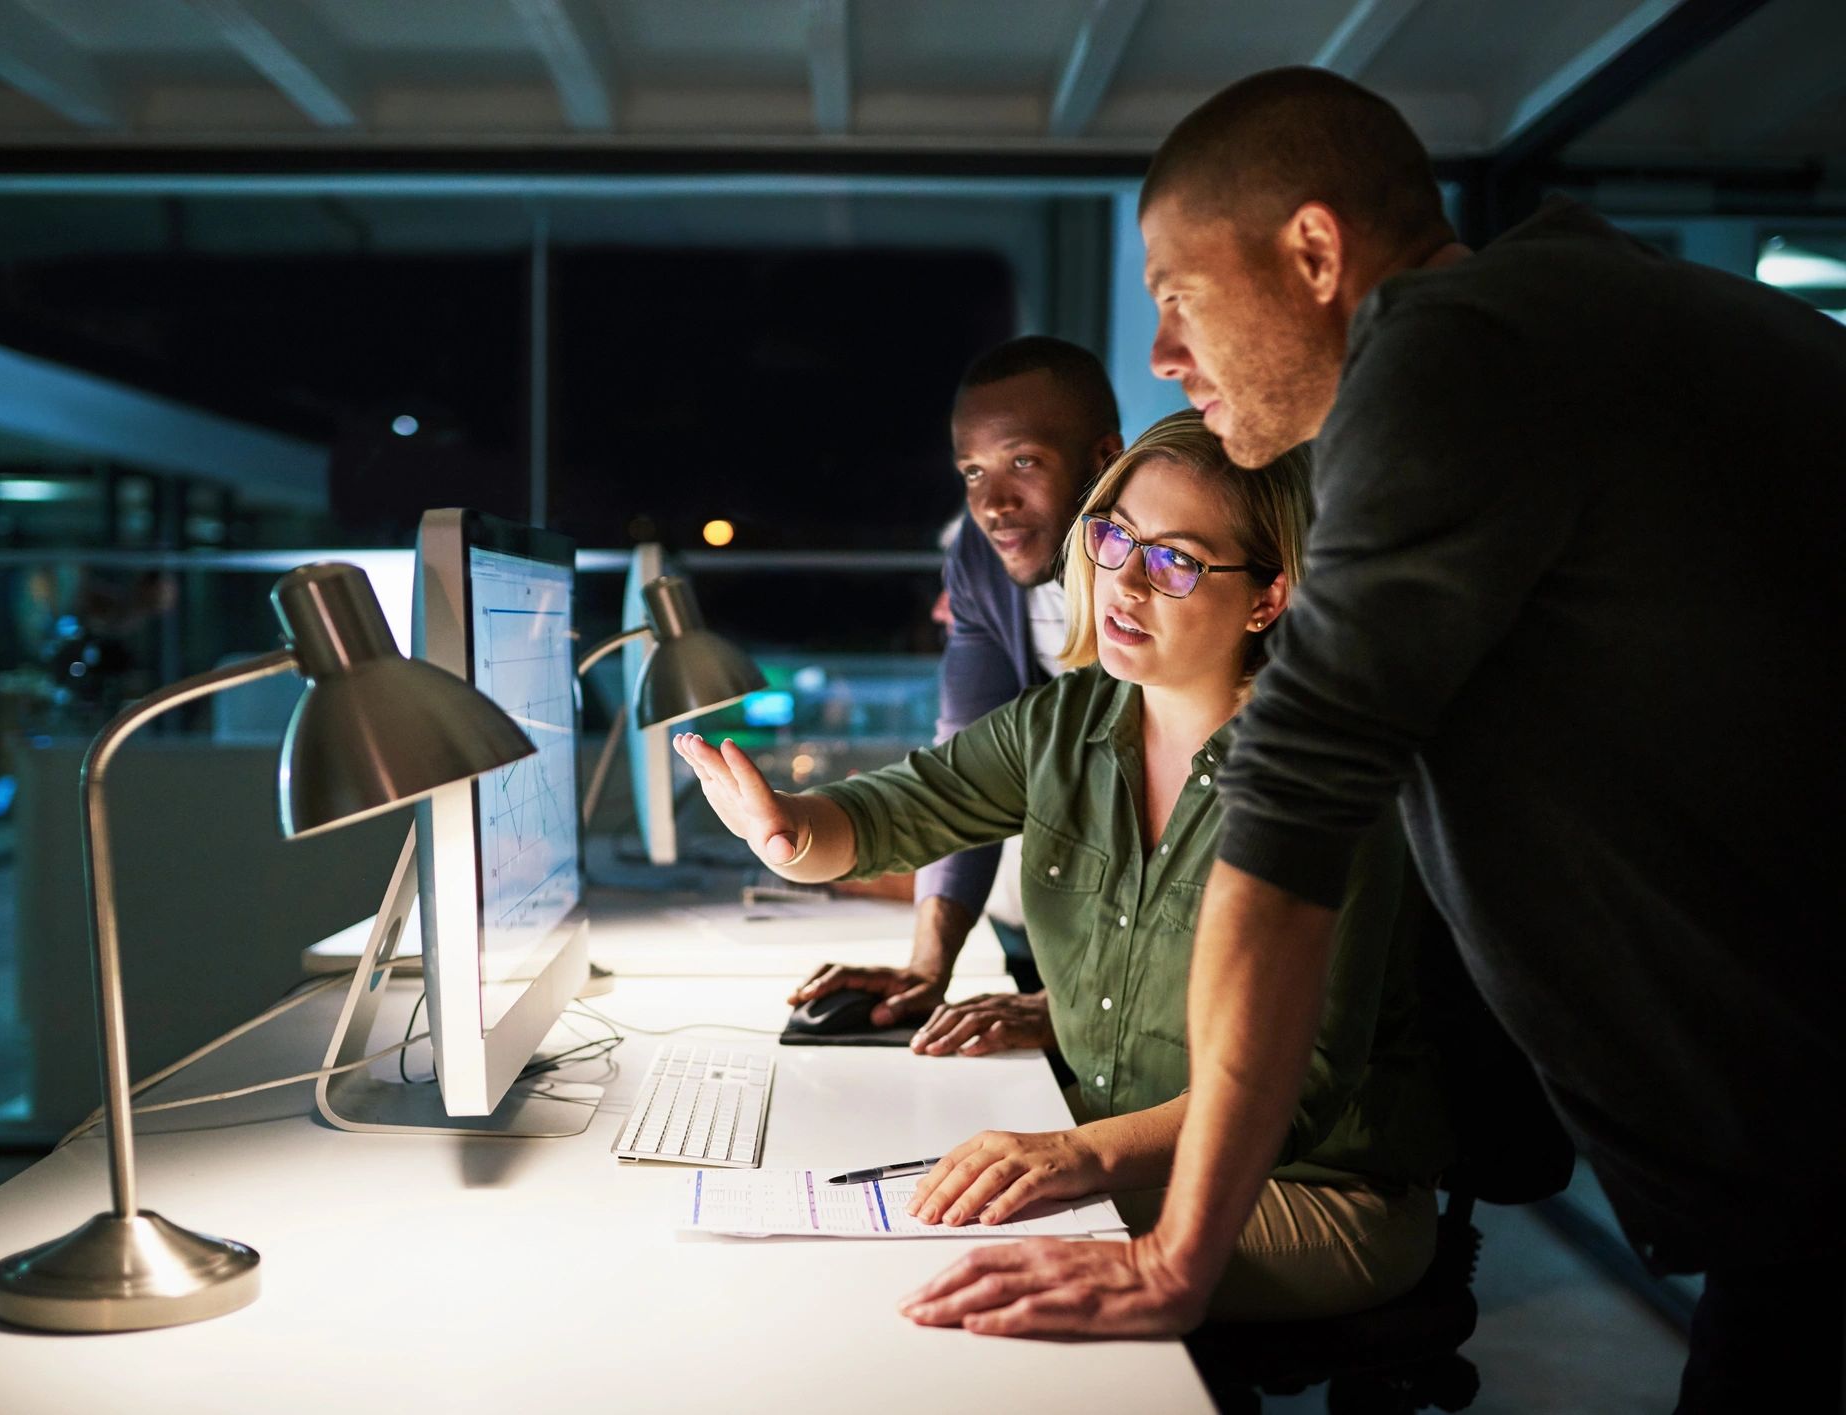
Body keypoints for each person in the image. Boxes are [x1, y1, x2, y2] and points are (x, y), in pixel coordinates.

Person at [898, 67, 1846, 1409]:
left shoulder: (1452, 353)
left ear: (1315, 251)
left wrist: (1180, 1251)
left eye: (1176, 291)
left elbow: (1291, 811)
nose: (1163, 351)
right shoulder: (1561, 321)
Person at [676, 412, 1453, 1321]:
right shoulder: (1067, 720)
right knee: (921, 1211)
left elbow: (1299, 1091)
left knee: (957, 1256)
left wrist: (1081, 1155)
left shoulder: (1320, 779)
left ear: (1266, 597)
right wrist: (789, 831)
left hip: (1312, 1188)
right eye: (1114, 534)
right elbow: (898, 807)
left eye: (1175, 560)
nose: (1123, 579)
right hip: (1112, 1128)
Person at [792, 335, 1122, 1053]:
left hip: (1160, 963)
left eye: (1023, 462)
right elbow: (964, 768)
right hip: (1059, 924)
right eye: (972, 472)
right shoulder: (978, 558)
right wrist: (927, 966)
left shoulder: (1166, 566)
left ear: (1103, 460)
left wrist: (1073, 1006)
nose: (993, 503)